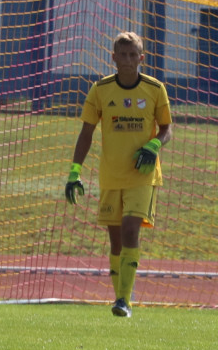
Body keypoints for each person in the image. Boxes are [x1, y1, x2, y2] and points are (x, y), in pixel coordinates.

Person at [65, 31, 173, 317]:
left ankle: (124, 301)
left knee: (129, 229)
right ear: (113, 57)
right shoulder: (100, 90)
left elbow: (166, 129)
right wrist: (75, 171)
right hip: (111, 175)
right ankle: (120, 298)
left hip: (142, 175)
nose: (127, 60)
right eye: (122, 54)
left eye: (132, 54)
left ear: (141, 58)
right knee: (115, 240)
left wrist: (154, 144)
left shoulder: (155, 88)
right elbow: (86, 132)